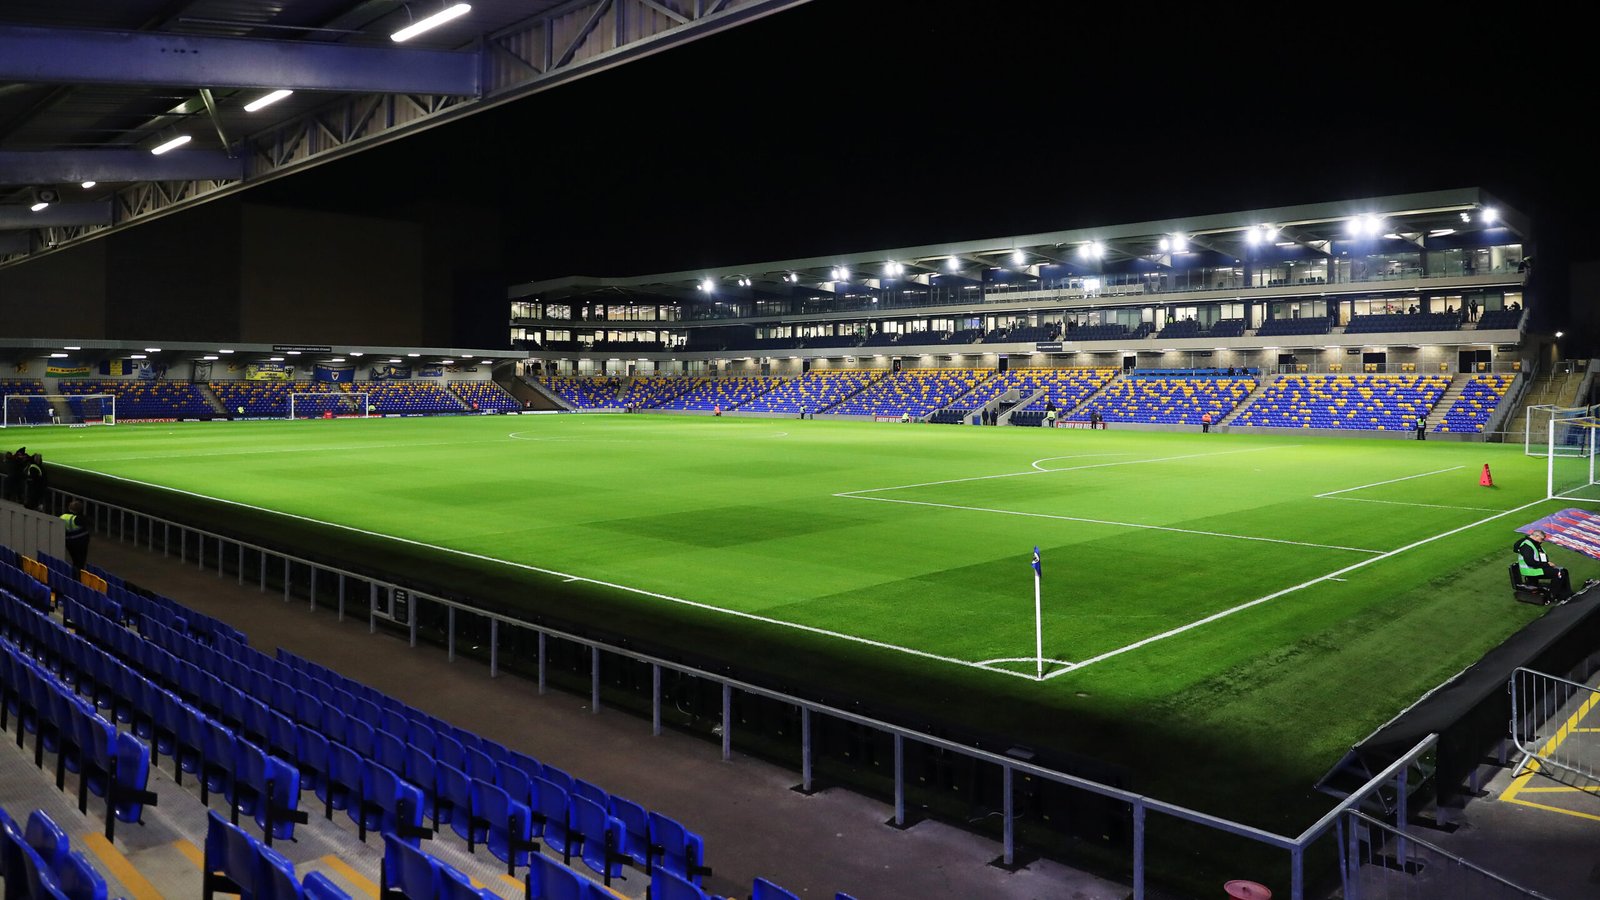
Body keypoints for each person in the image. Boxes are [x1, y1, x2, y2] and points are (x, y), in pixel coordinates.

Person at [1515, 530, 1573, 601]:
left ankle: (1565, 593)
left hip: (1536, 568)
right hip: (1531, 571)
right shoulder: (1527, 546)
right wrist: (1546, 565)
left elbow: (1540, 558)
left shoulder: (1534, 544)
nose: (1542, 541)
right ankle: (1552, 596)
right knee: (1558, 573)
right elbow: (1530, 562)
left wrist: (1547, 564)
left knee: (1563, 571)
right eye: (1541, 539)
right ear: (1536, 536)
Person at [61, 500, 90, 575]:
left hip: (69, 542)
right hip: (80, 543)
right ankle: (78, 577)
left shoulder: (63, 516)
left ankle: (76, 574)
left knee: (75, 560)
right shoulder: (78, 519)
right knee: (80, 562)